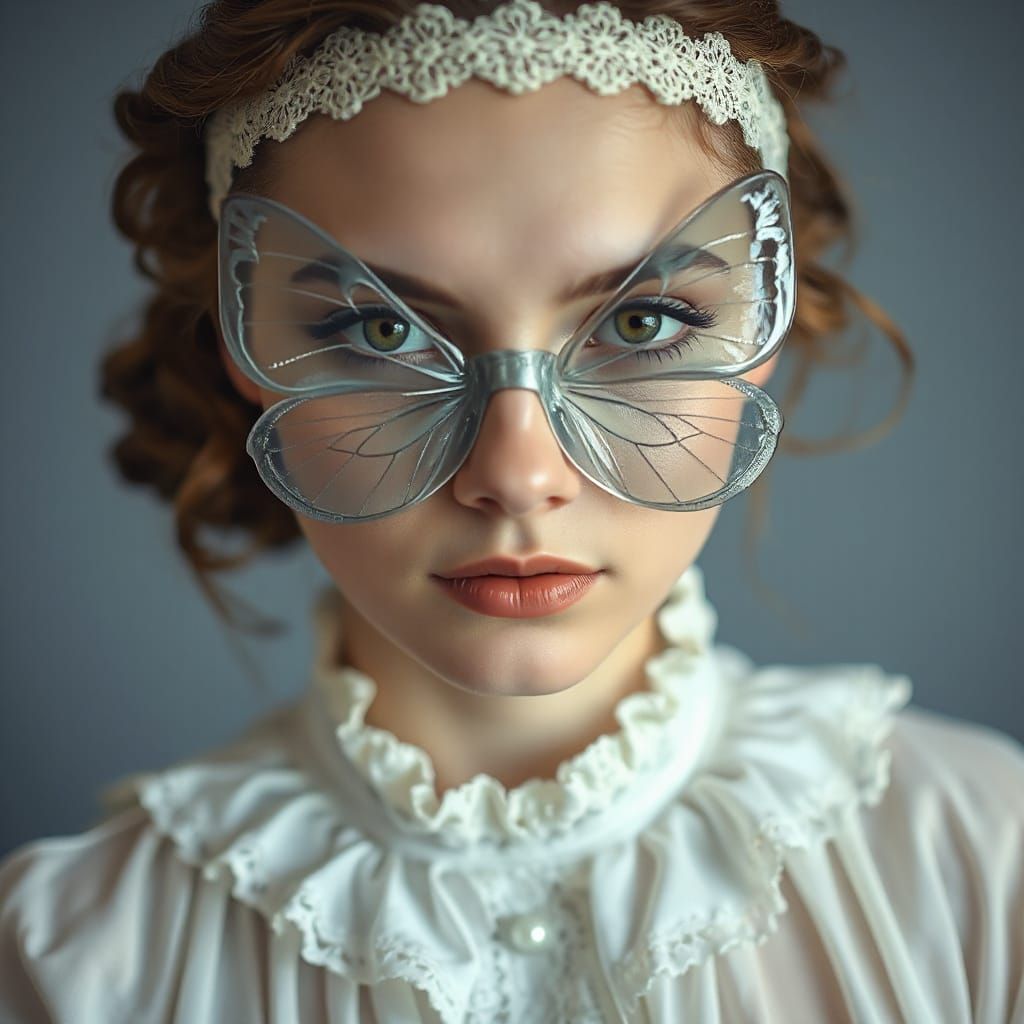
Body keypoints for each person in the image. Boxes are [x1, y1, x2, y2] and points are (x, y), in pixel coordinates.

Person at [1, 1, 1021, 1021]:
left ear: (760, 328)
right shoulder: (70, 959)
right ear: (245, 352)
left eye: (641, 318)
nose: (516, 473)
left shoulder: (984, 862)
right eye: (377, 329)